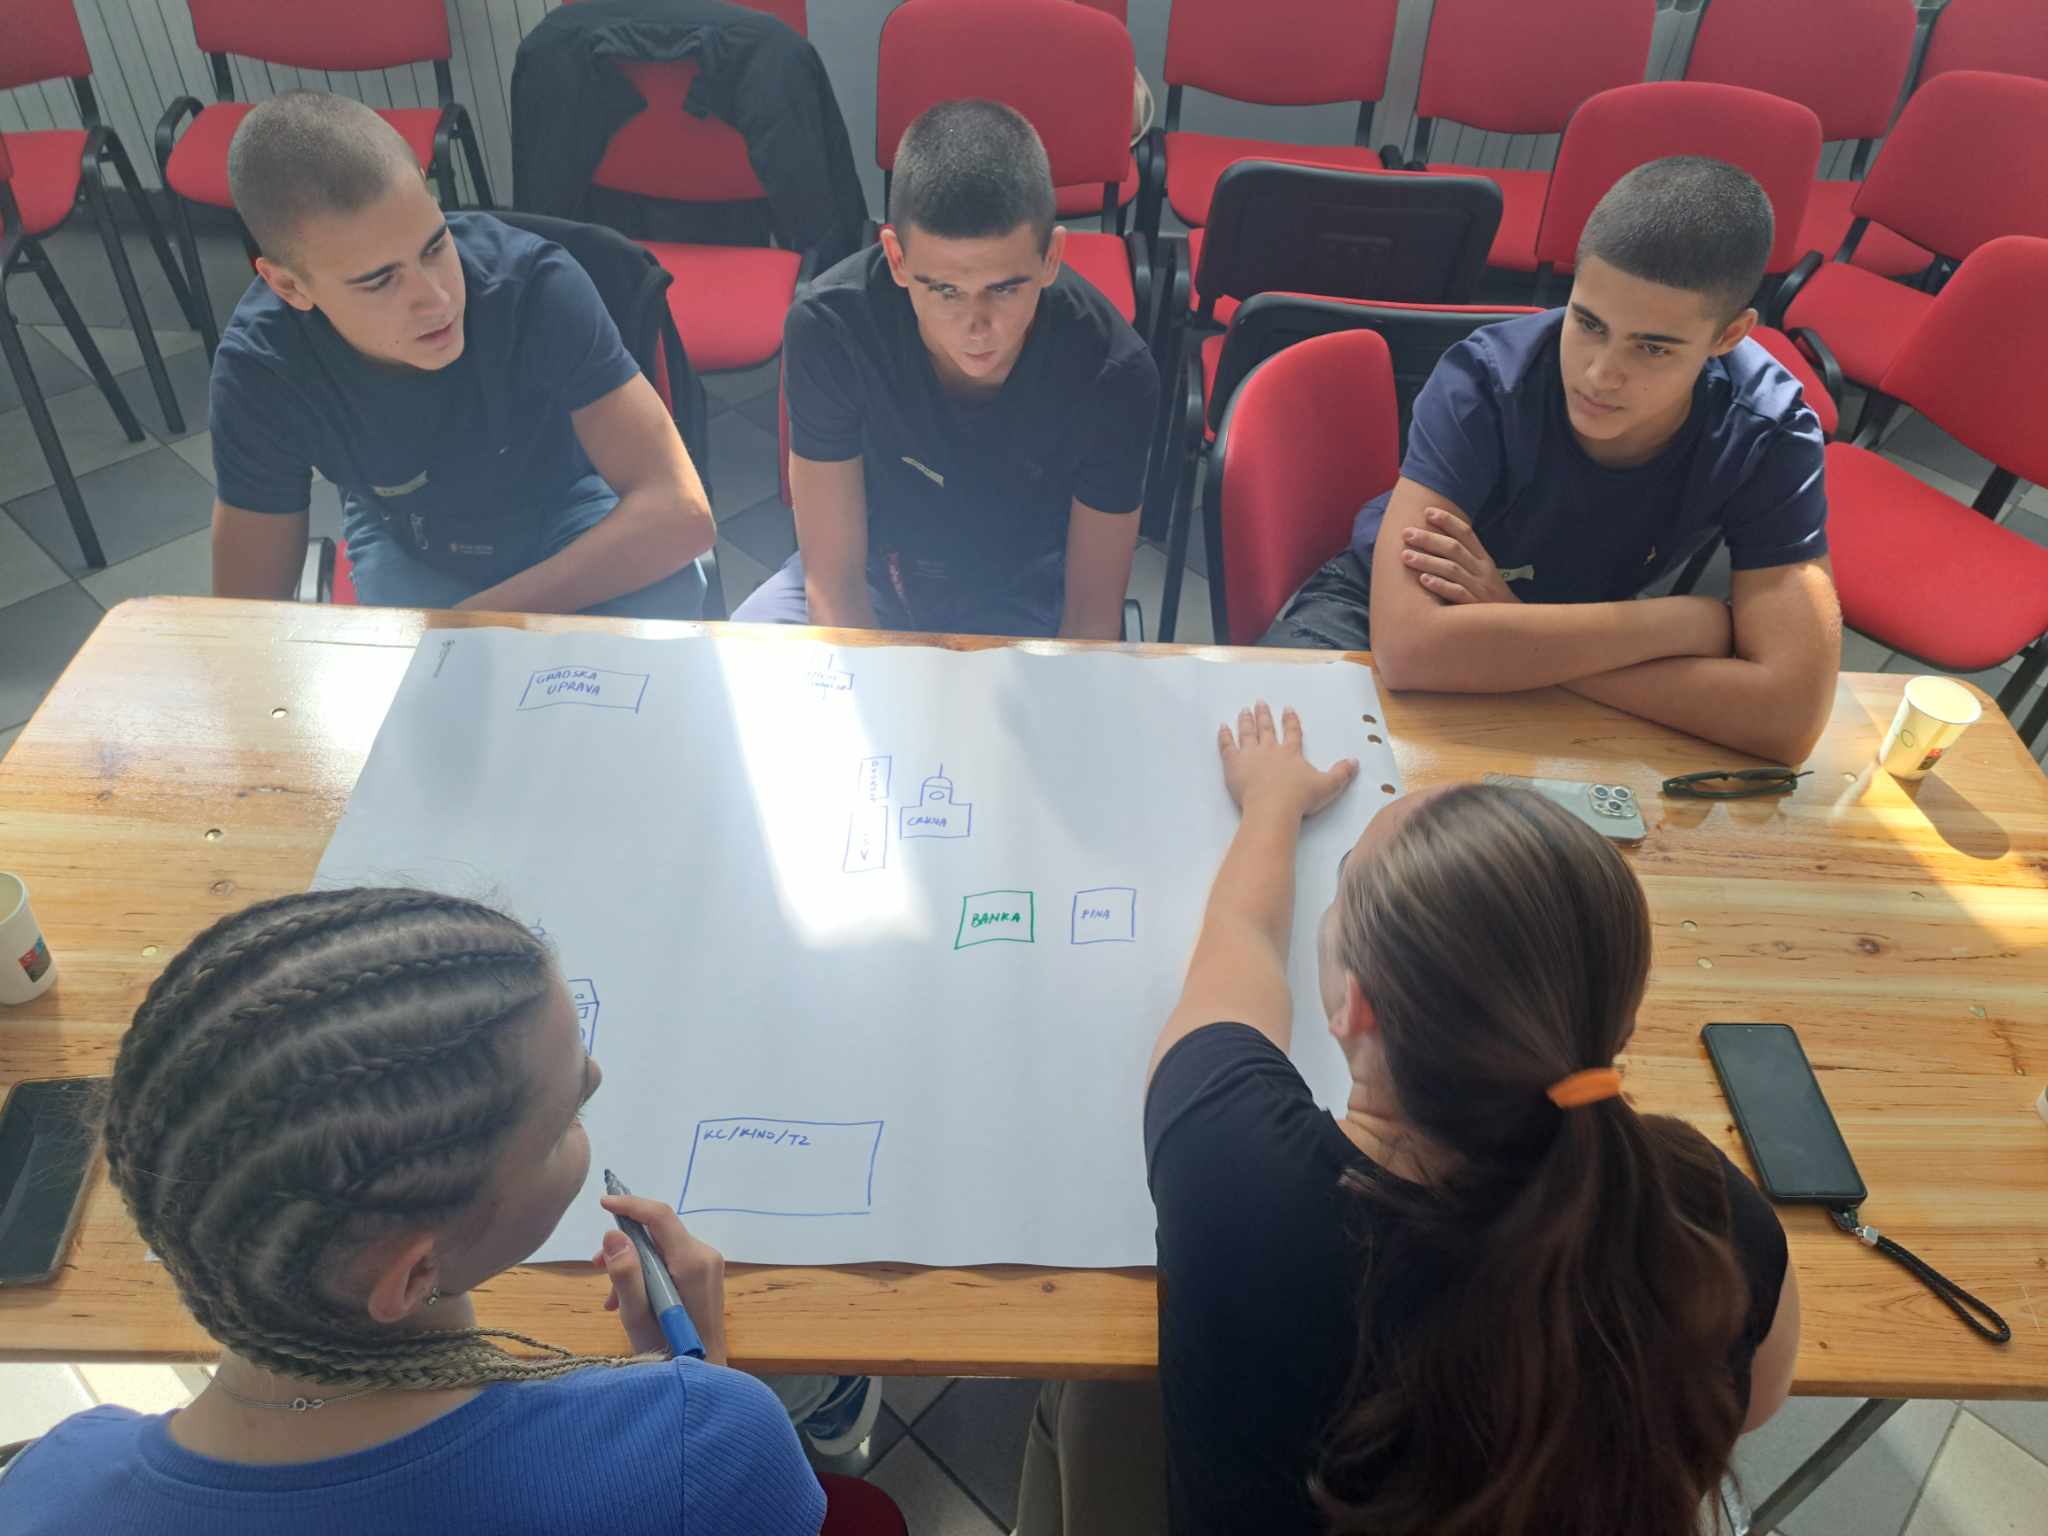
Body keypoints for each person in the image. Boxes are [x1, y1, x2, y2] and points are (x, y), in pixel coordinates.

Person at [1143, 704, 1799, 1534]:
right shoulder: (1712, 1215)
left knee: (1091, 1403)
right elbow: (1757, 1401)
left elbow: (1238, 940)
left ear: (1355, 1006)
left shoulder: (1232, 1165)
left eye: (1346, 884)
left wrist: (1272, 803)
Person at [0, 889, 844, 1534]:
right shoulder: (702, 1444)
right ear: (413, 1275)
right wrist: (699, 1383)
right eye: (567, 1119)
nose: (595, 1079)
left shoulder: (50, 1485)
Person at [1263, 157, 1840, 767]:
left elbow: (1789, 718)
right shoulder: (1484, 381)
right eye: (1588, 323)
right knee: (1278, 768)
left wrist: (1513, 624)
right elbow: (1409, 650)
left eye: (1651, 348)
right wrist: (1680, 623)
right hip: (1379, 609)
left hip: (1556, 634)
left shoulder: (1768, 429)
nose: (1599, 374)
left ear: (1728, 336)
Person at [206, 91, 714, 617]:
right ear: (289, 286)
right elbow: (245, 619)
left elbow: (681, 513)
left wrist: (475, 622)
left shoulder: (535, 287)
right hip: (406, 537)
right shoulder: (261, 371)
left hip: (563, 505)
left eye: (435, 246)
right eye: (379, 280)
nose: (437, 299)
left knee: (666, 608)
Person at [733, 99, 1158, 640]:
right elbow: (834, 581)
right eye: (946, 291)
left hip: (1024, 594)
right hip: (875, 572)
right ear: (897, 258)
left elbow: (1091, 617)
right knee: (753, 644)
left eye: (1005, 289)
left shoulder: (1112, 372)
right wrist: (868, 677)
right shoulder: (830, 330)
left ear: (1051, 257)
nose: (977, 327)